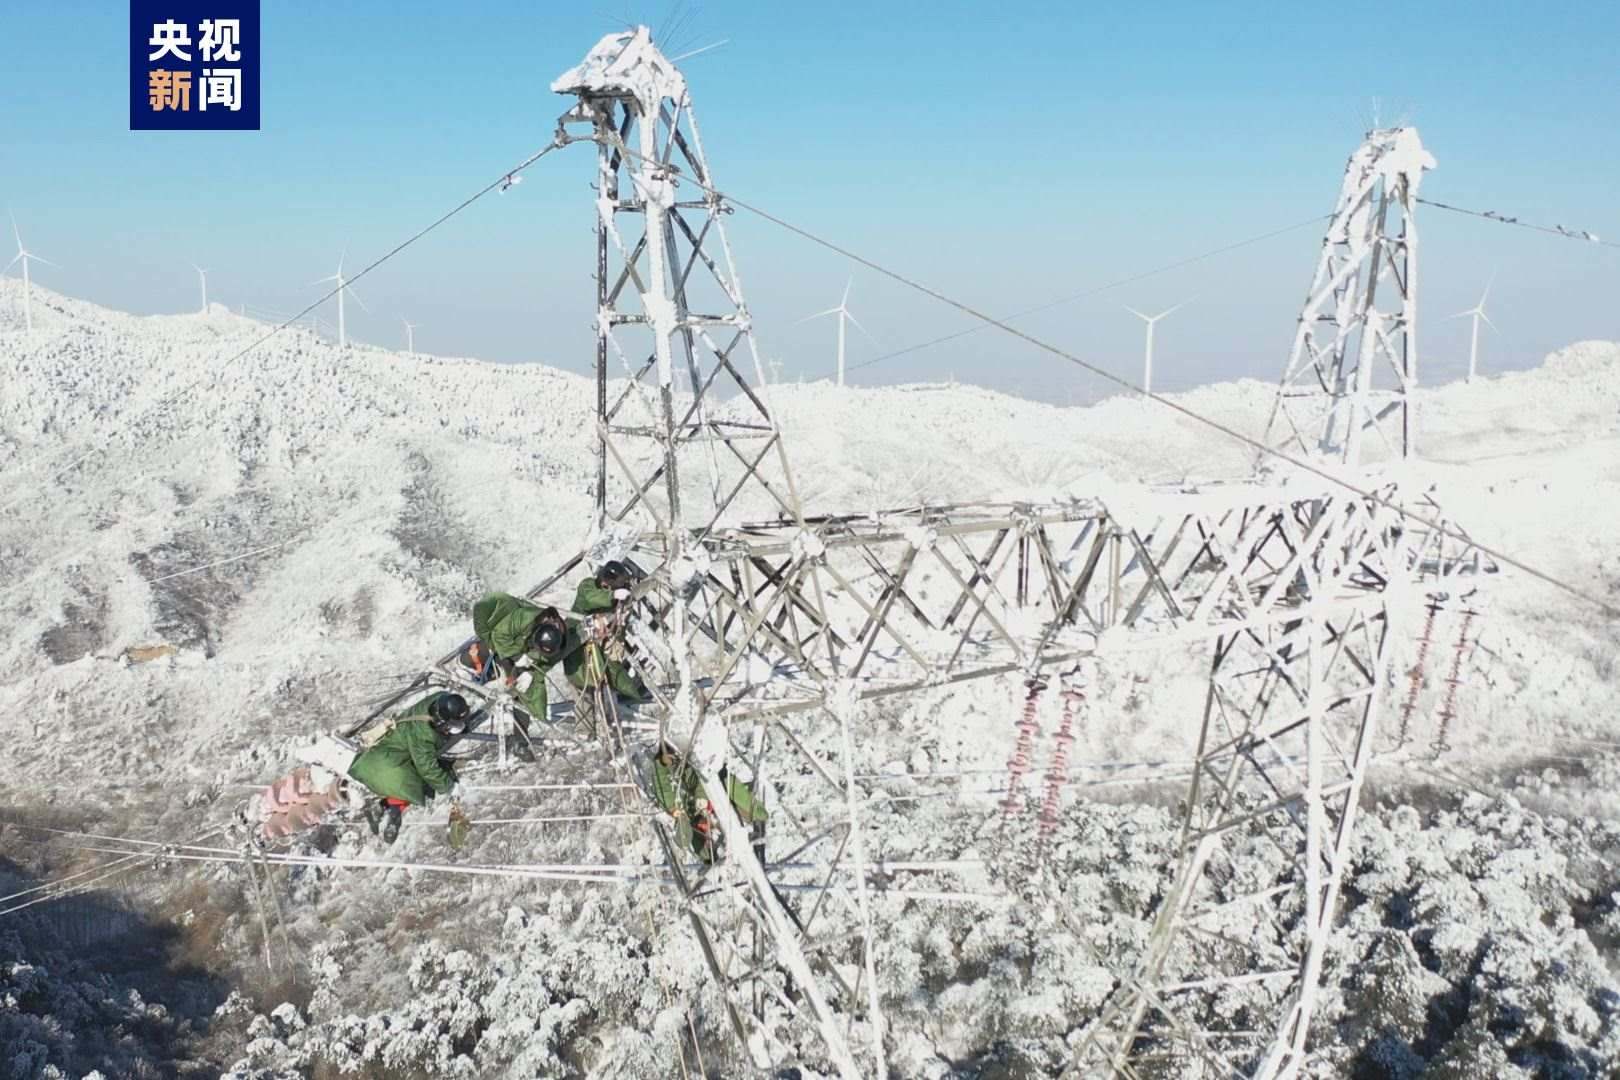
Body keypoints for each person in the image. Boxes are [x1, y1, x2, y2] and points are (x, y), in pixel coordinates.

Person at [348, 691, 468, 845]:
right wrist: (449, 787)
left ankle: (383, 808)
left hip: (381, 756)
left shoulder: (440, 700)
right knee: (418, 784)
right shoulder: (423, 734)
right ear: (440, 723)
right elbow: (427, 769)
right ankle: (392, 810)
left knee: (415, 777)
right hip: (381, 766)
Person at [650, 741, 767, 863]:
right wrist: (673, 808)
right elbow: (662, 786)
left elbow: (703, 774)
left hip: (713, 782)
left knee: (731, 789)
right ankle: (709, 857)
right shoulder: (663, 767)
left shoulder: (695, 753)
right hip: (698, 801)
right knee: (691, 824)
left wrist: (701, 798)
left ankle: (755, 817)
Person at [468, 593, 573, 719]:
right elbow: (498, 636)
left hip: (512, 625)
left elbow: (546, 660)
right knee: (502, 653)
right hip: (490, 618)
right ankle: (478, 664)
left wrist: (531, 672)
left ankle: (536, 714)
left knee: (526, 675)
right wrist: (517, 657)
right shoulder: (524, 619)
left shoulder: (560, 639)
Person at [569, 561, 650, 715]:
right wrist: (613, 596)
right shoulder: (587, 586)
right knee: (586, 690)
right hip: (579, 649)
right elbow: (592, 598)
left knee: (610, 680)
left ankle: (614, 710)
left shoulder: (616, 597)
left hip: (605, 647)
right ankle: (588, 724)